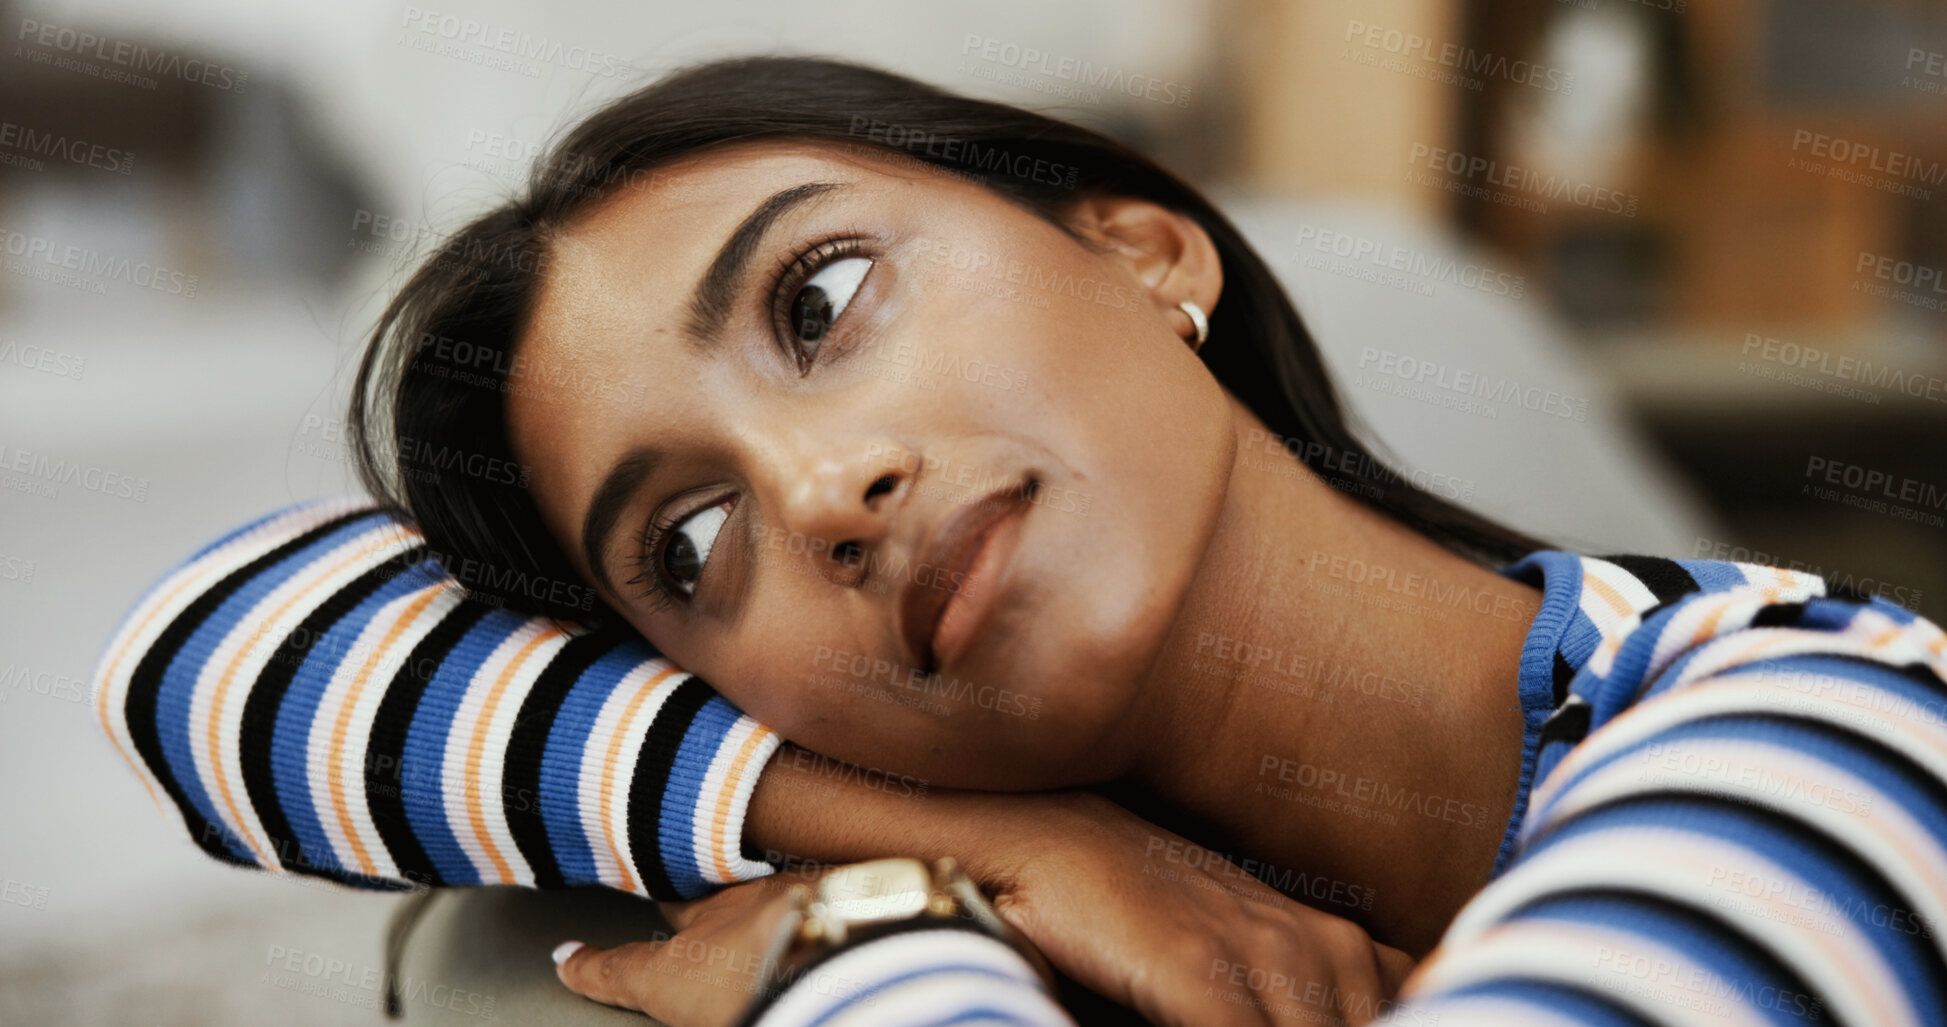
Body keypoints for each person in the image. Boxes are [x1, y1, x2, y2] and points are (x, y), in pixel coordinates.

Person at [104, 55, 1947, 1026]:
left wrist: (846, 958)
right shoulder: (1068, 910)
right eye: (689, 540)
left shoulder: (1843, 727)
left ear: (1143, 250)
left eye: (820, 300)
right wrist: (990, 847)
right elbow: (207, 662)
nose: (815, 496)